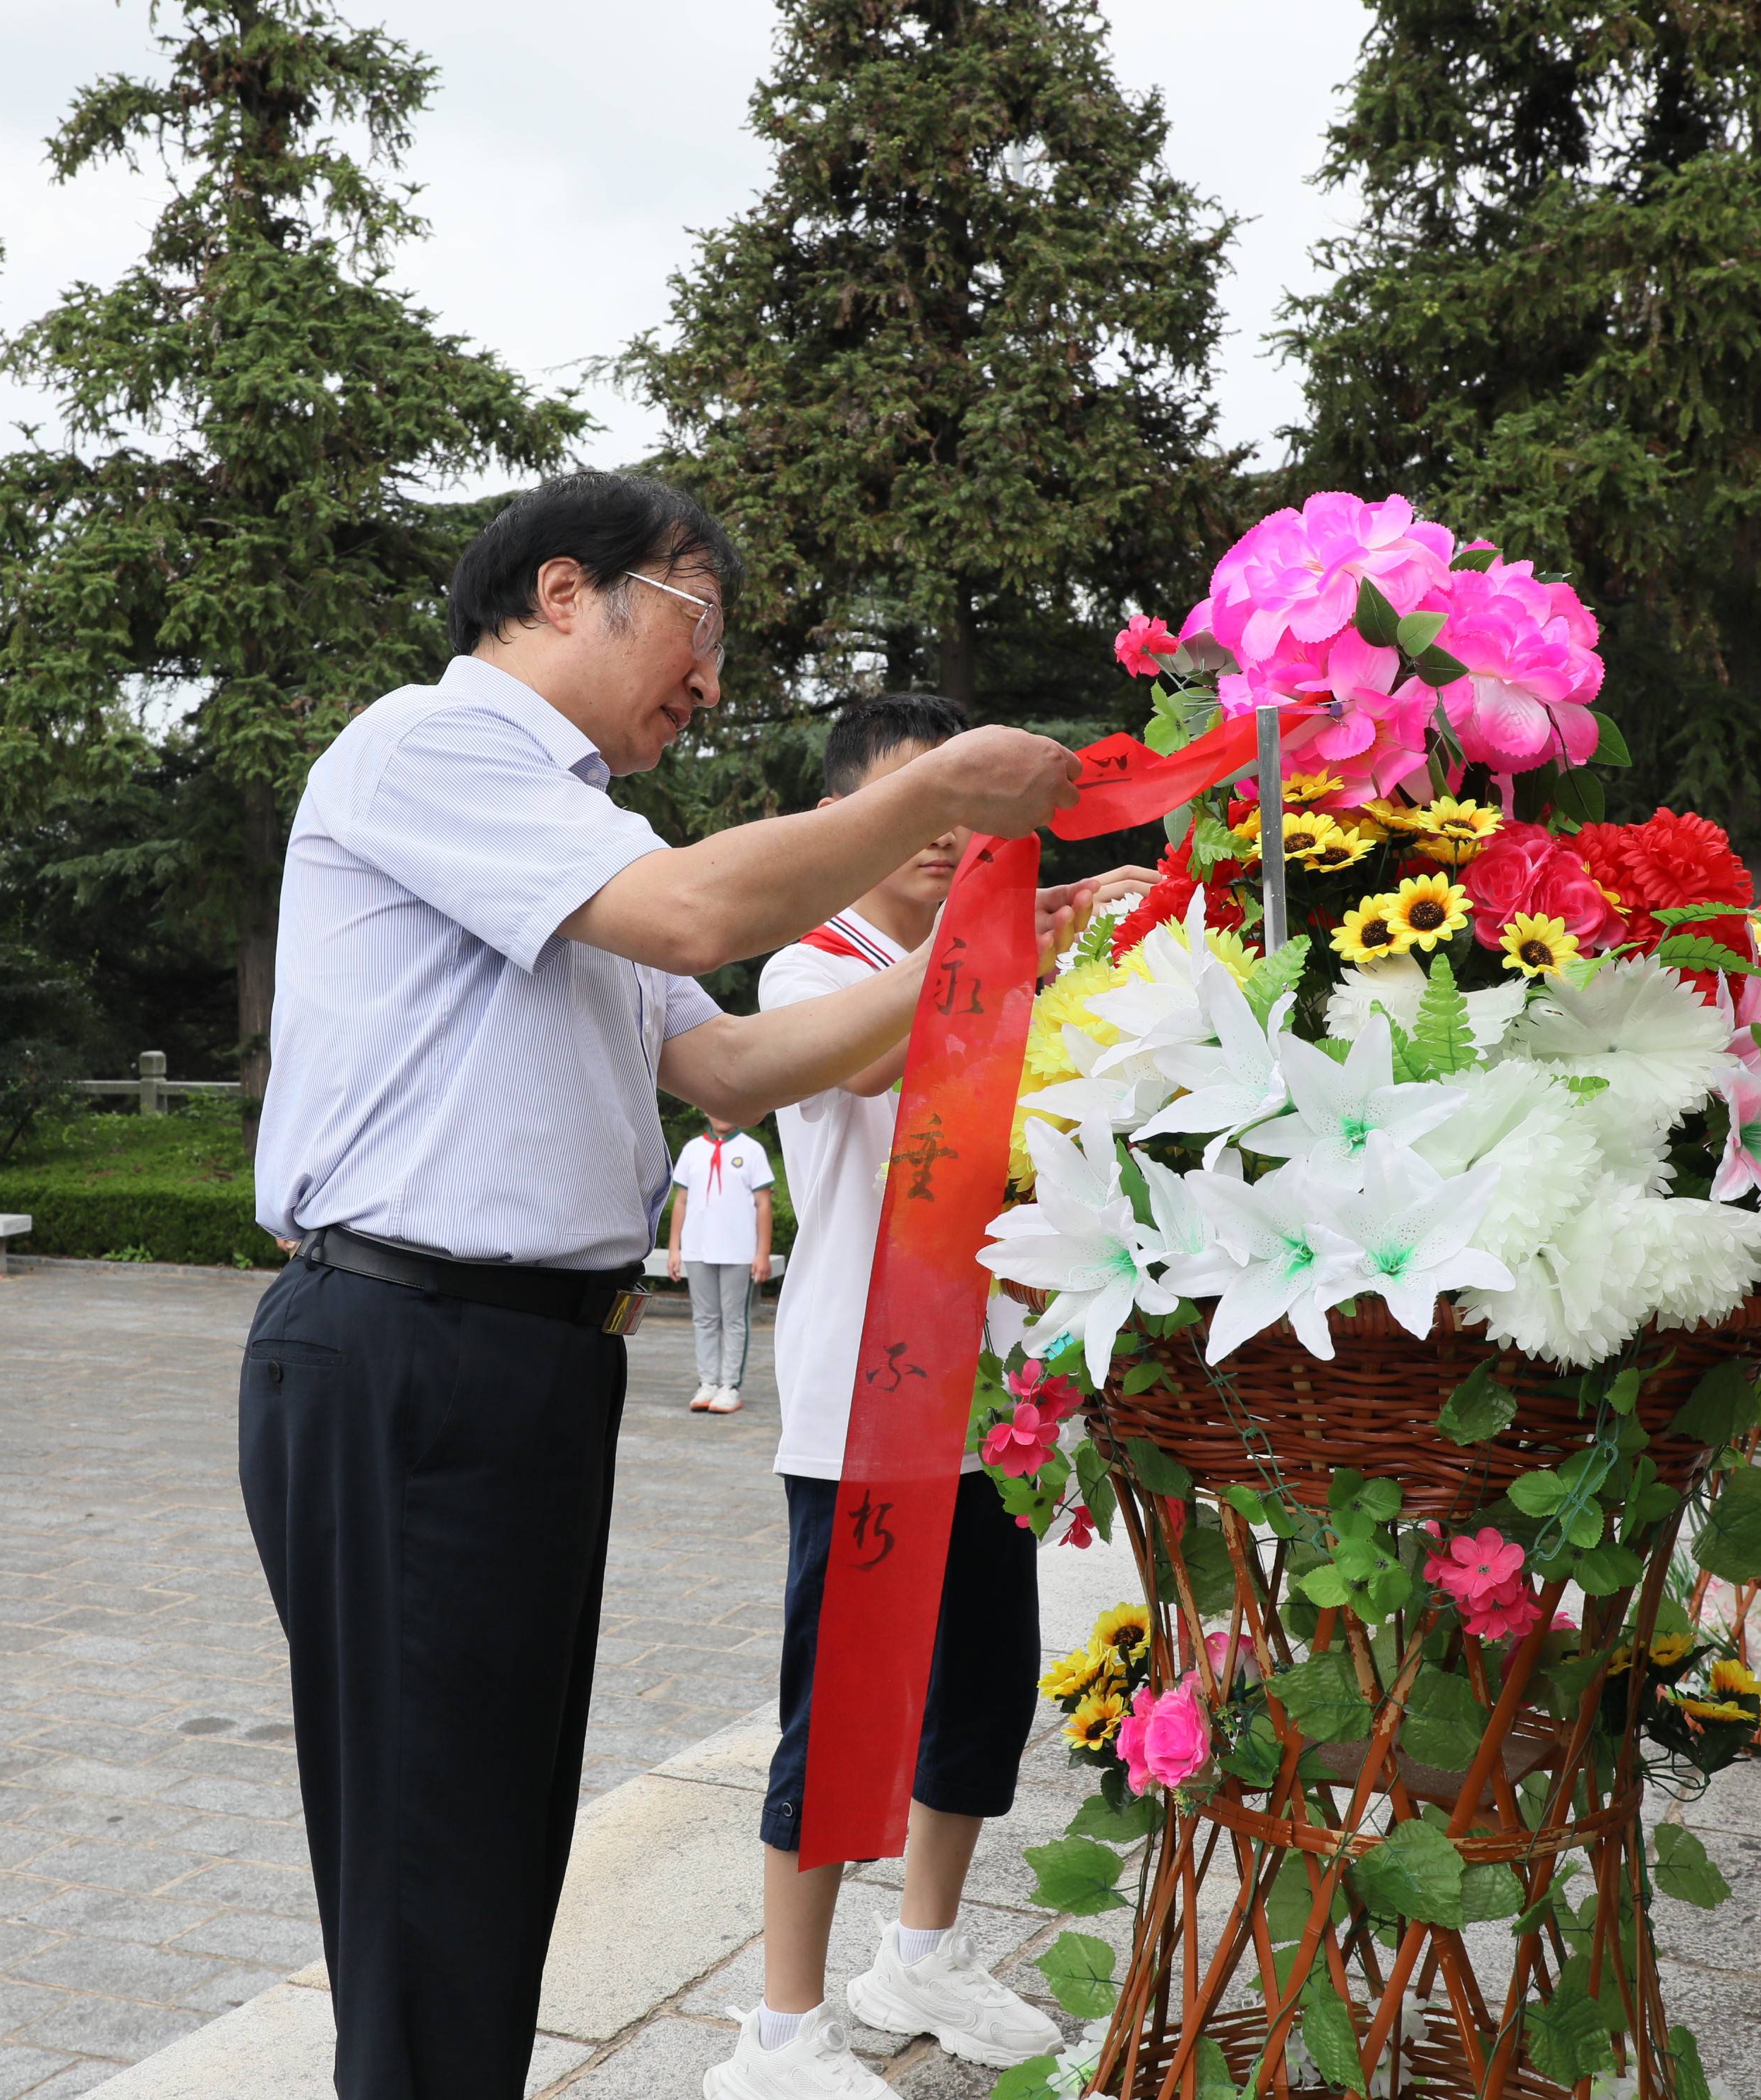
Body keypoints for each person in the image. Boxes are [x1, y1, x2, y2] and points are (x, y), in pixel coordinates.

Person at [243, 471, 1093, 2100]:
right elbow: (706, 908)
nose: (707, 685)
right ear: (568, 592)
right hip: (405, 1340)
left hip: (524, 1361)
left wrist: (973, 964)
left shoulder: (580, 837)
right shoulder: (432, 745)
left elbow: (729, 1065)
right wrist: (937, 800)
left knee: (490, 1833)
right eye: (698, 626)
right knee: (432, 1845)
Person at [716, 693, 1147, 2096]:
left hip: (992, 1411)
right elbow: (896, 1051)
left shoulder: (1014, 952)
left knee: (979, 1700)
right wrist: (1033, 933)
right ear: (857, 819)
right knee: (841, 1720)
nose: (949, 837)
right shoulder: (807, 970)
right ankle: (779, 2032)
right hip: (863, 1417)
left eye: (974, 811)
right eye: (920, 807)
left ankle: (924, 1955)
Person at [665, 1116, 776, 1413]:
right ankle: (708, 1381)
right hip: (697, 1248)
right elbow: (681, 1201)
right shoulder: (692, 1149)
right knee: (704, 1317)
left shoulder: (751, 1150)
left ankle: (730, 1385)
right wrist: (675, 1248)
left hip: (738, 1250)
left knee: (734, 1319)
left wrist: (762, 1252)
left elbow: (763, 1203)